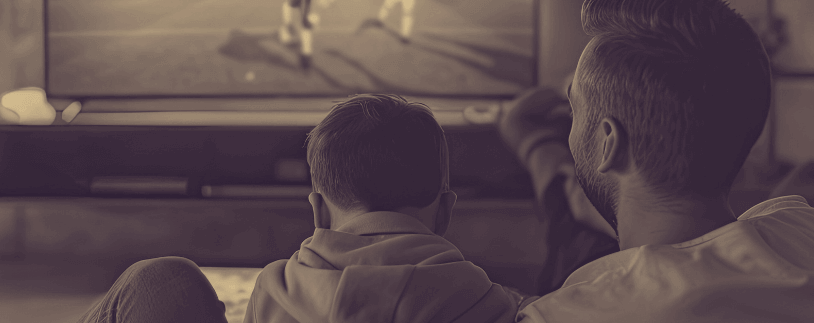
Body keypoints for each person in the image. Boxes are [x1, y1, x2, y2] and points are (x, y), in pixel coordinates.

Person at [501, 0, 814, 322]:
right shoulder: (809, 235)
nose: (571, 127)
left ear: (609, 142)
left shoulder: (571, 313)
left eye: (574, 111)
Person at [77, 94, 529, 323]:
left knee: (159, 278)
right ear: (446, 211)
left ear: (318, 210)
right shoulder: (486, 301)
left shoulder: (274, 289)